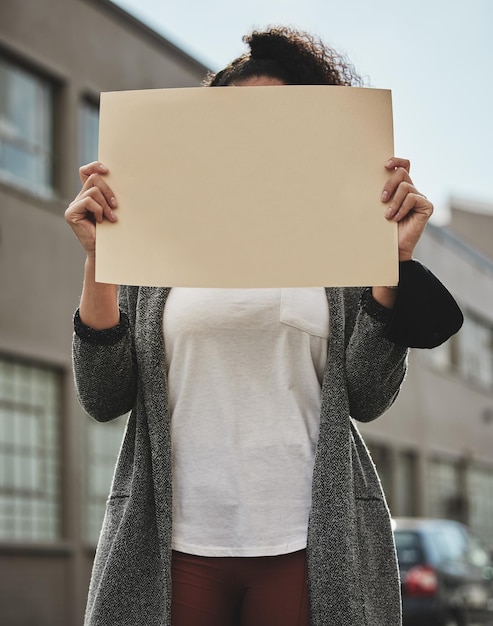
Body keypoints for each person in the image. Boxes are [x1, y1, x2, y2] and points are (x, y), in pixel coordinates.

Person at [65, 27, 462, 626]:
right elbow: (103, 396)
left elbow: (370, 397)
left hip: (307, 542)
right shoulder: (159, 244)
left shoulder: (338, 249)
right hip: (175, 542)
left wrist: (389, 262)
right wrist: (102, 258)